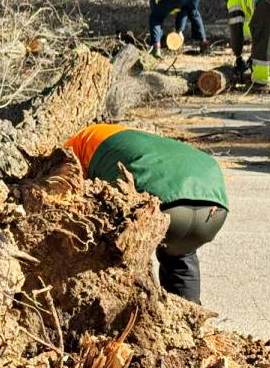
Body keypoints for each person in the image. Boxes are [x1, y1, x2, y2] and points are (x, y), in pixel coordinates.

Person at [63, 123, 228, 303]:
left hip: (164, 207)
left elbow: (67, 197)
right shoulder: (132, 139)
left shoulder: (75, 145)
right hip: (214, 211)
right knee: (180, 256)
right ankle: (187, 322)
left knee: (113, 251)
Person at [143, 0, 207, 56]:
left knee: (155, 17)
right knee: (193, 13)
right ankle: (203, 43)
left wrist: (159, 35)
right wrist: (179, 30)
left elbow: (156, 12)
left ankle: (156, 48)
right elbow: (183, 9)